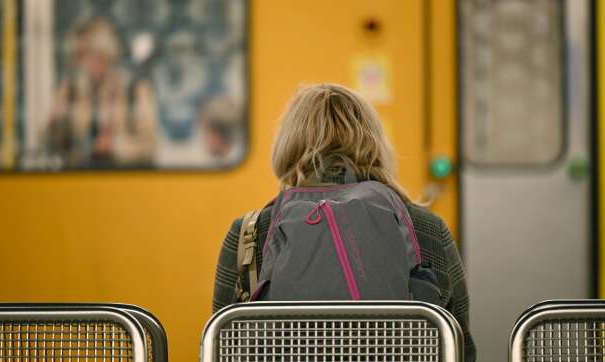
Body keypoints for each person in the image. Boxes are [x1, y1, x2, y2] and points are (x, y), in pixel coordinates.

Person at [212, 83, 476, 361]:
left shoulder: (250, 232)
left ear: (288, 145)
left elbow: (221, 343)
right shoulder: (426, 228)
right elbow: (460, 345)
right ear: (375, 142)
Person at [47, 16, 157, 168]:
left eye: (84, 54)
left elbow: (149, 146)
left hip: (126, 181)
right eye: (77, 56)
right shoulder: (69, 91)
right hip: (78, 180)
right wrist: (56, 127)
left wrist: (114, 147)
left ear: (105, 53)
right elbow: (51, 146)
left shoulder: (136, 90)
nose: (81, 63)